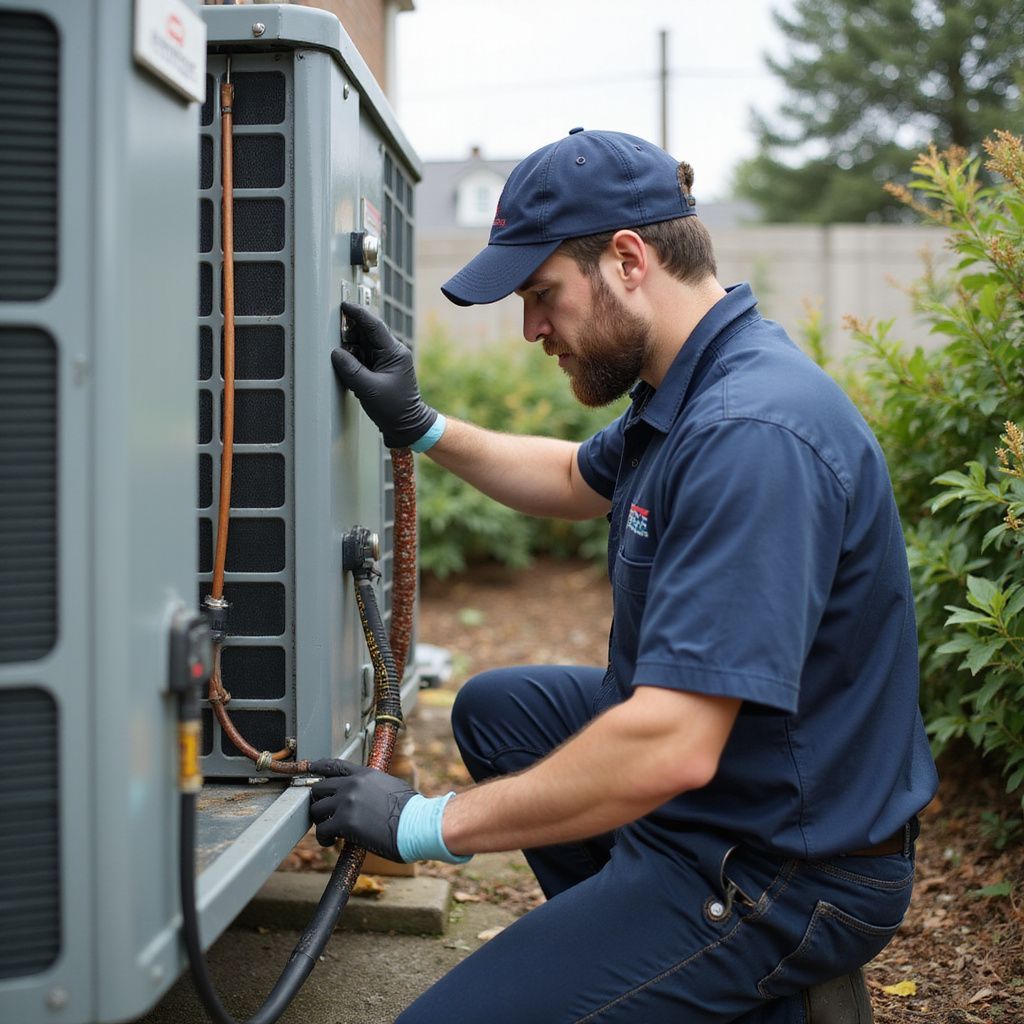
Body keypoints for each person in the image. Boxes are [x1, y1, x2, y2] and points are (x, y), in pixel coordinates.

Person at [310, 128, 939, 1024]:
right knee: (501, 711)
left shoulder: (749, 434)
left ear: (630, 260)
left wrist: (425, 826)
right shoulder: (688, 382)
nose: (531, 329)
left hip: (782, 866)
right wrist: (419, 425)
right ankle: (649, 961)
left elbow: (672, 743)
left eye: (541, 295)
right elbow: (574, 478)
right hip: (728, 796)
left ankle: (746, 975)